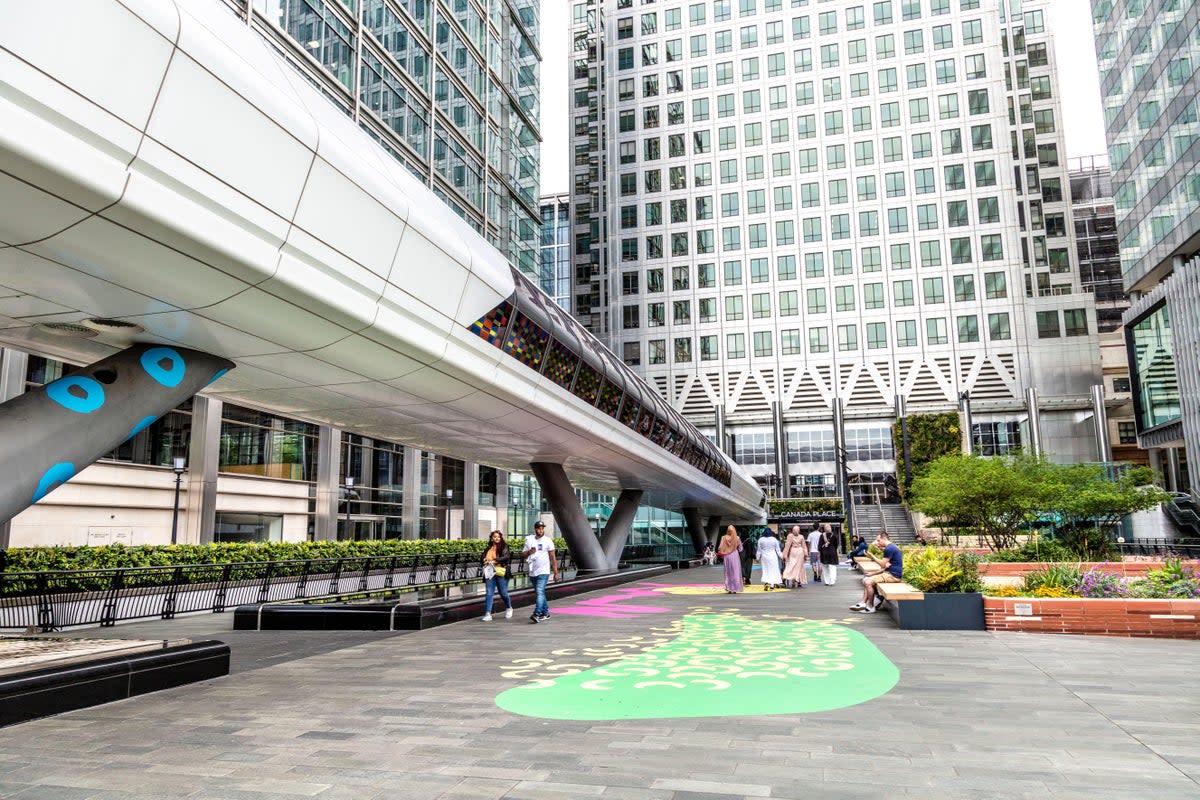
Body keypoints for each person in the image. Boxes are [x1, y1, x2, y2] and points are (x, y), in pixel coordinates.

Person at [851, 531, 904, 613]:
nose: (878, 543)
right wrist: (872, 574)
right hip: (889, 574)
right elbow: (885, 568)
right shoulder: (891, 547)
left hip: (893, 576)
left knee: (867, 581)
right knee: (867, 579)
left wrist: (872, 556)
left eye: (879, 540)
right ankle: (864, 603)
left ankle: (870, 606)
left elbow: (883, 565)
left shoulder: (889, 548)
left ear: (884, 539)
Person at [522, 521, 558, 623]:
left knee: (539, 592)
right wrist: (529, 552)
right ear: (535, 529)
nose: (541, 530)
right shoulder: (530, 540)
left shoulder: (548, 541)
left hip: (544, 571)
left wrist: (555, 573)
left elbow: (553, 558)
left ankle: (536, 614)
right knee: (540, 593)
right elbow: (523, 554)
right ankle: (546, 613)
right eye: (538, 528)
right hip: (533, 571)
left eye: (542, 528)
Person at [480, 529, 513, 621]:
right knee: (489, 592)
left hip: (500, 572)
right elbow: (482, 557)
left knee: (503, 593)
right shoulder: (488, 548)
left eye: (498, 537)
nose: (497, 538)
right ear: (491, 538)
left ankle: (509, 607)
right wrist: (484, 560)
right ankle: (488, 613)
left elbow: (506, 557)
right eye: (495, 537)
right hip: (490, 572)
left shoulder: (504, 547)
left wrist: (494, 561)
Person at [717, 526, 744, 593]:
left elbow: (720, 548)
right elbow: (741, 549)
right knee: (735, 571)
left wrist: (725, 550)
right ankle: (735, 588)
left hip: (727, 556)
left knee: (728, 572)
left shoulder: (723, 537)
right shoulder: (737, 538)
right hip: (735, 555)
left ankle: (729, 588)